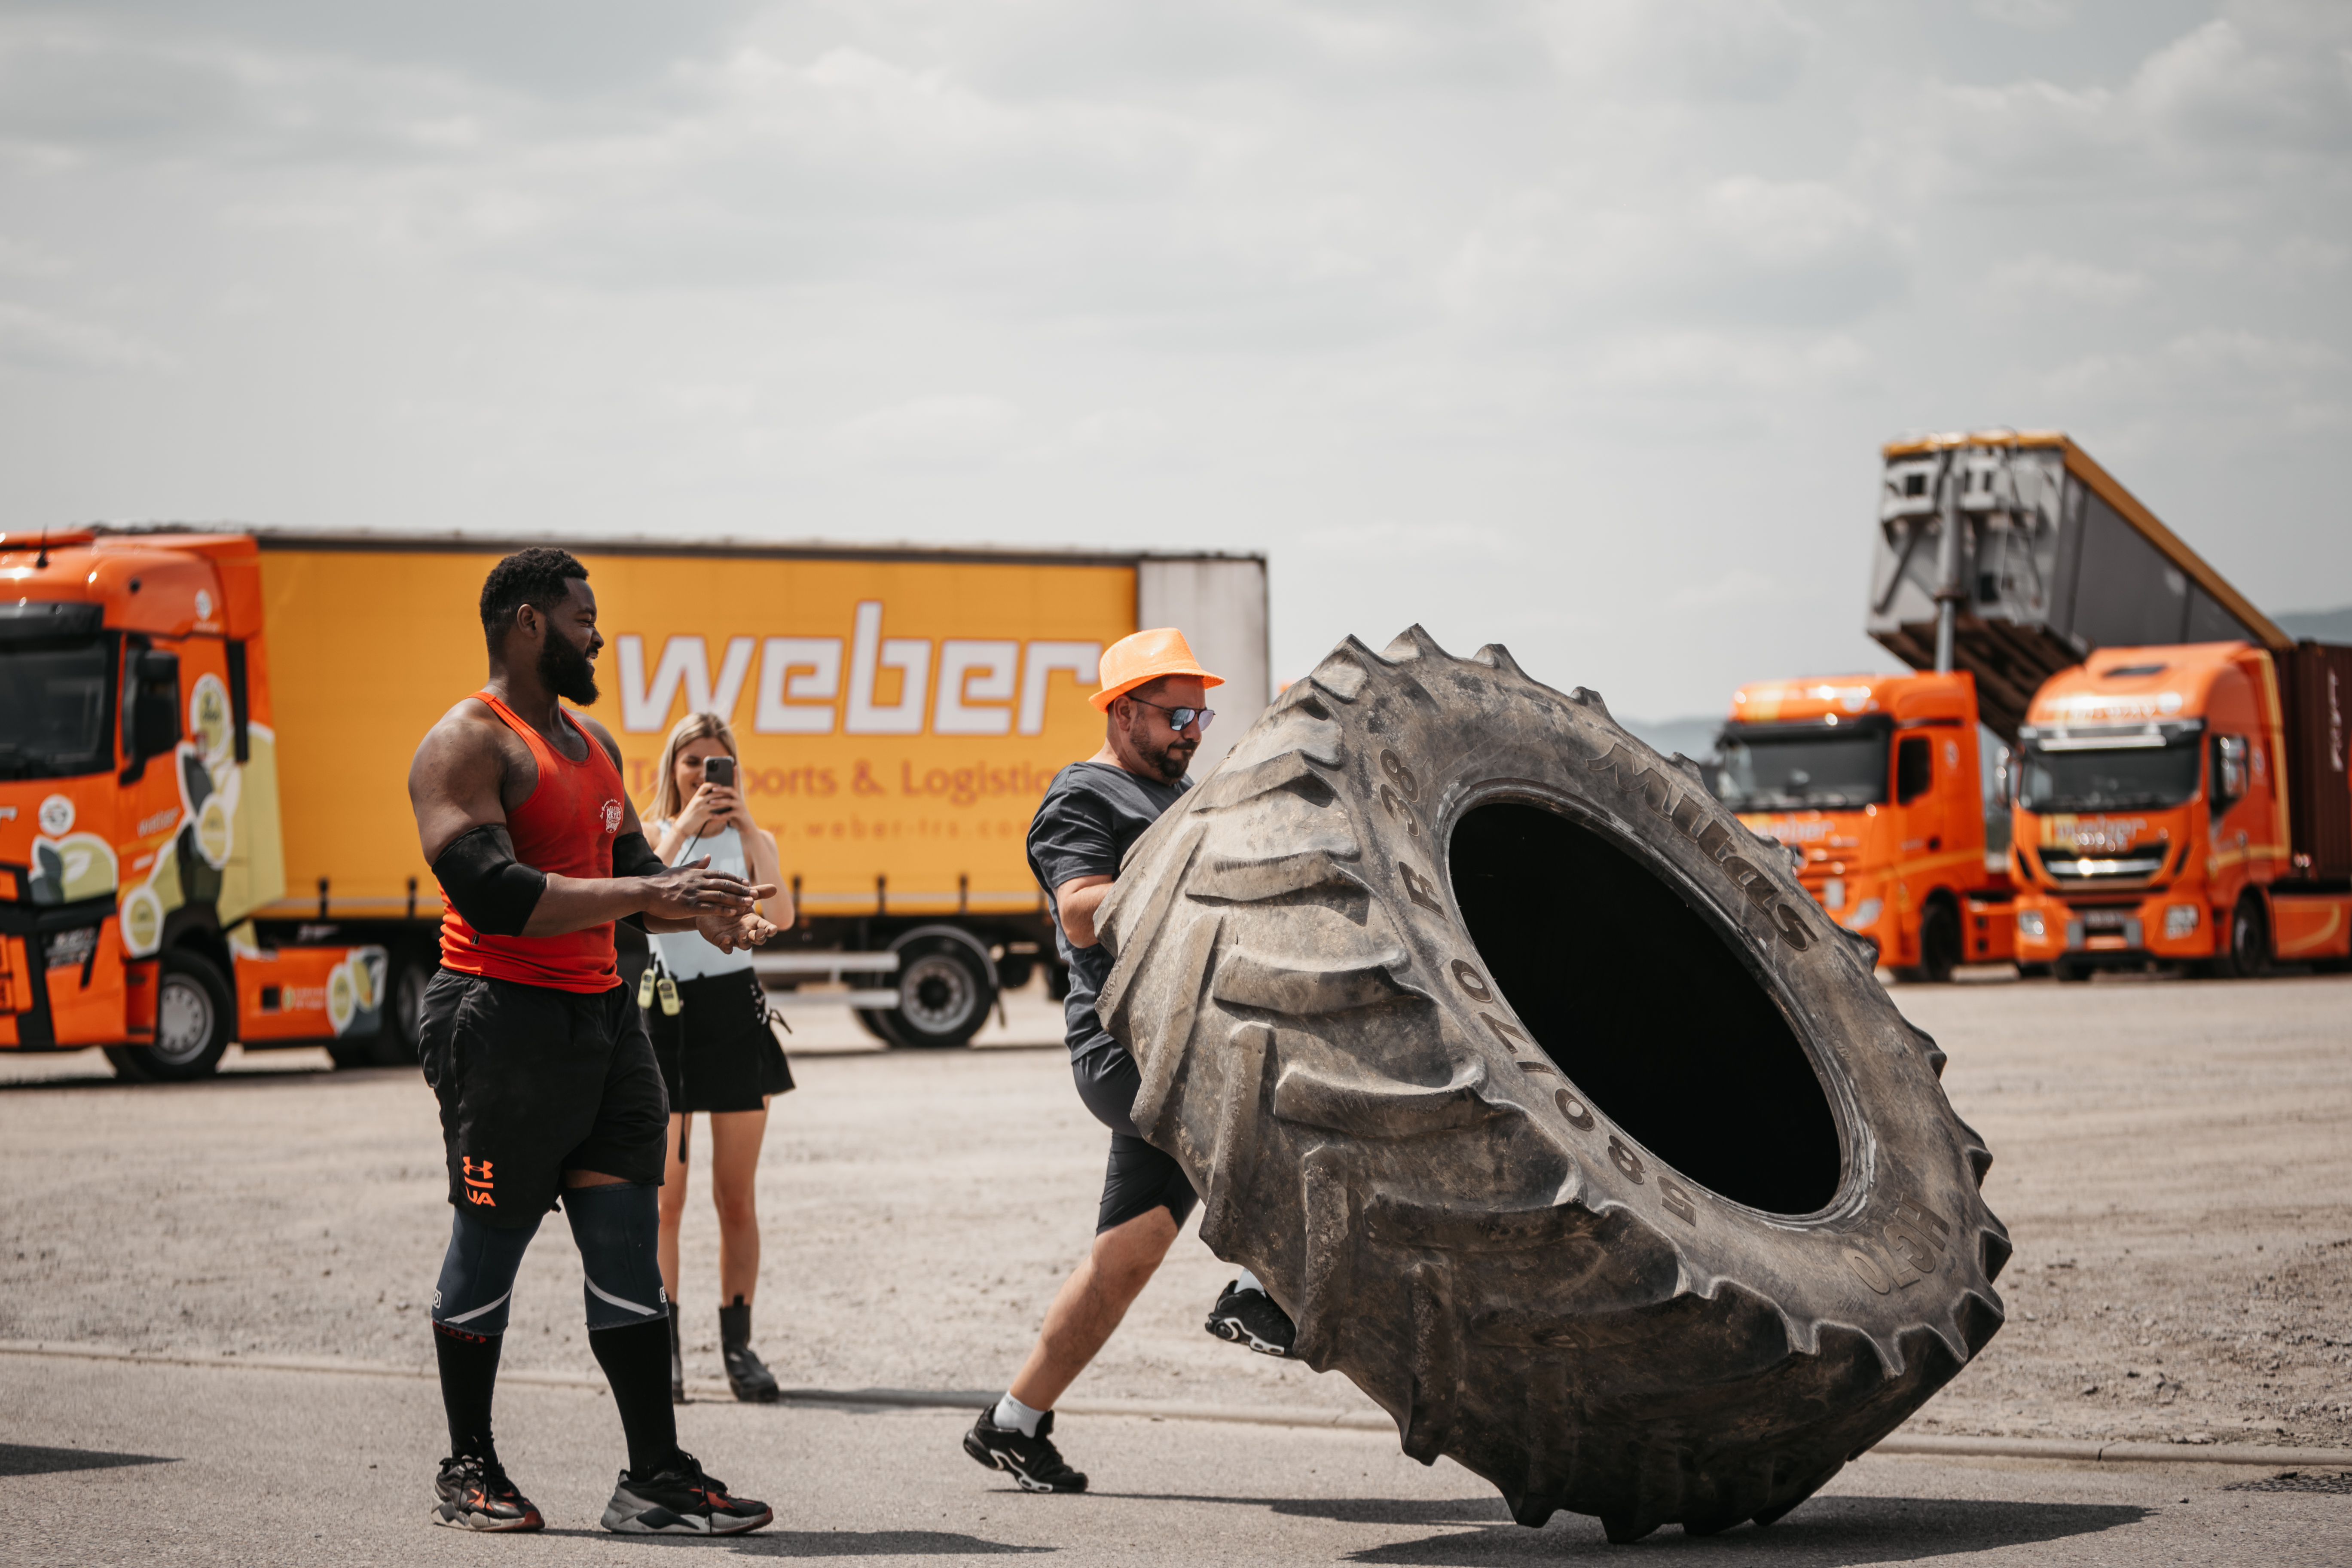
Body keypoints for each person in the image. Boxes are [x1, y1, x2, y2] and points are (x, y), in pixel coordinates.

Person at [406, 548, 780, 1536]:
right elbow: (497, 894)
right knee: (487, 1249)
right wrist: (652, 892)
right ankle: (469, 1466)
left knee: (624, 1248)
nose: (598, 634)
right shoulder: (465, 745)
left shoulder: (595, 742)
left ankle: (651, 1477)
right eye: (583, 617)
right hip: (500, 1023)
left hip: (605, 1021)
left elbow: (628, 874)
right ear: (529, 622)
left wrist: (699, 912)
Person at [963, 627, 1298, 1495]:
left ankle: (1013, 1420)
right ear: (1122, 711)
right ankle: (1262, 1291)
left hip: (1184, 1044)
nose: (1192, 729)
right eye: (1175, 712)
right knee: (1291, 1115)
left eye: (1201, 712)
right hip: (1133, 1050)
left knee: (1129, 1255)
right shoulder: (1083, 797)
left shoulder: (1180, 795)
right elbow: (1079, 910)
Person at [641, 710, 796, 1404]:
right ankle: (662, 1349)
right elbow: (645, 889)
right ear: (671, 768)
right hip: (663, 1020)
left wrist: (744, 825)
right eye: (691, 762)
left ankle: (739, 1347)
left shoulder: (753, 837)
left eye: (718, 762)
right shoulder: (650, 833)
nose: (706, 775)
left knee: (735, 1197)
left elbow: (783, 916)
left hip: (735, 1017)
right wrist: (682, 827)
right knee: (662, 1204)